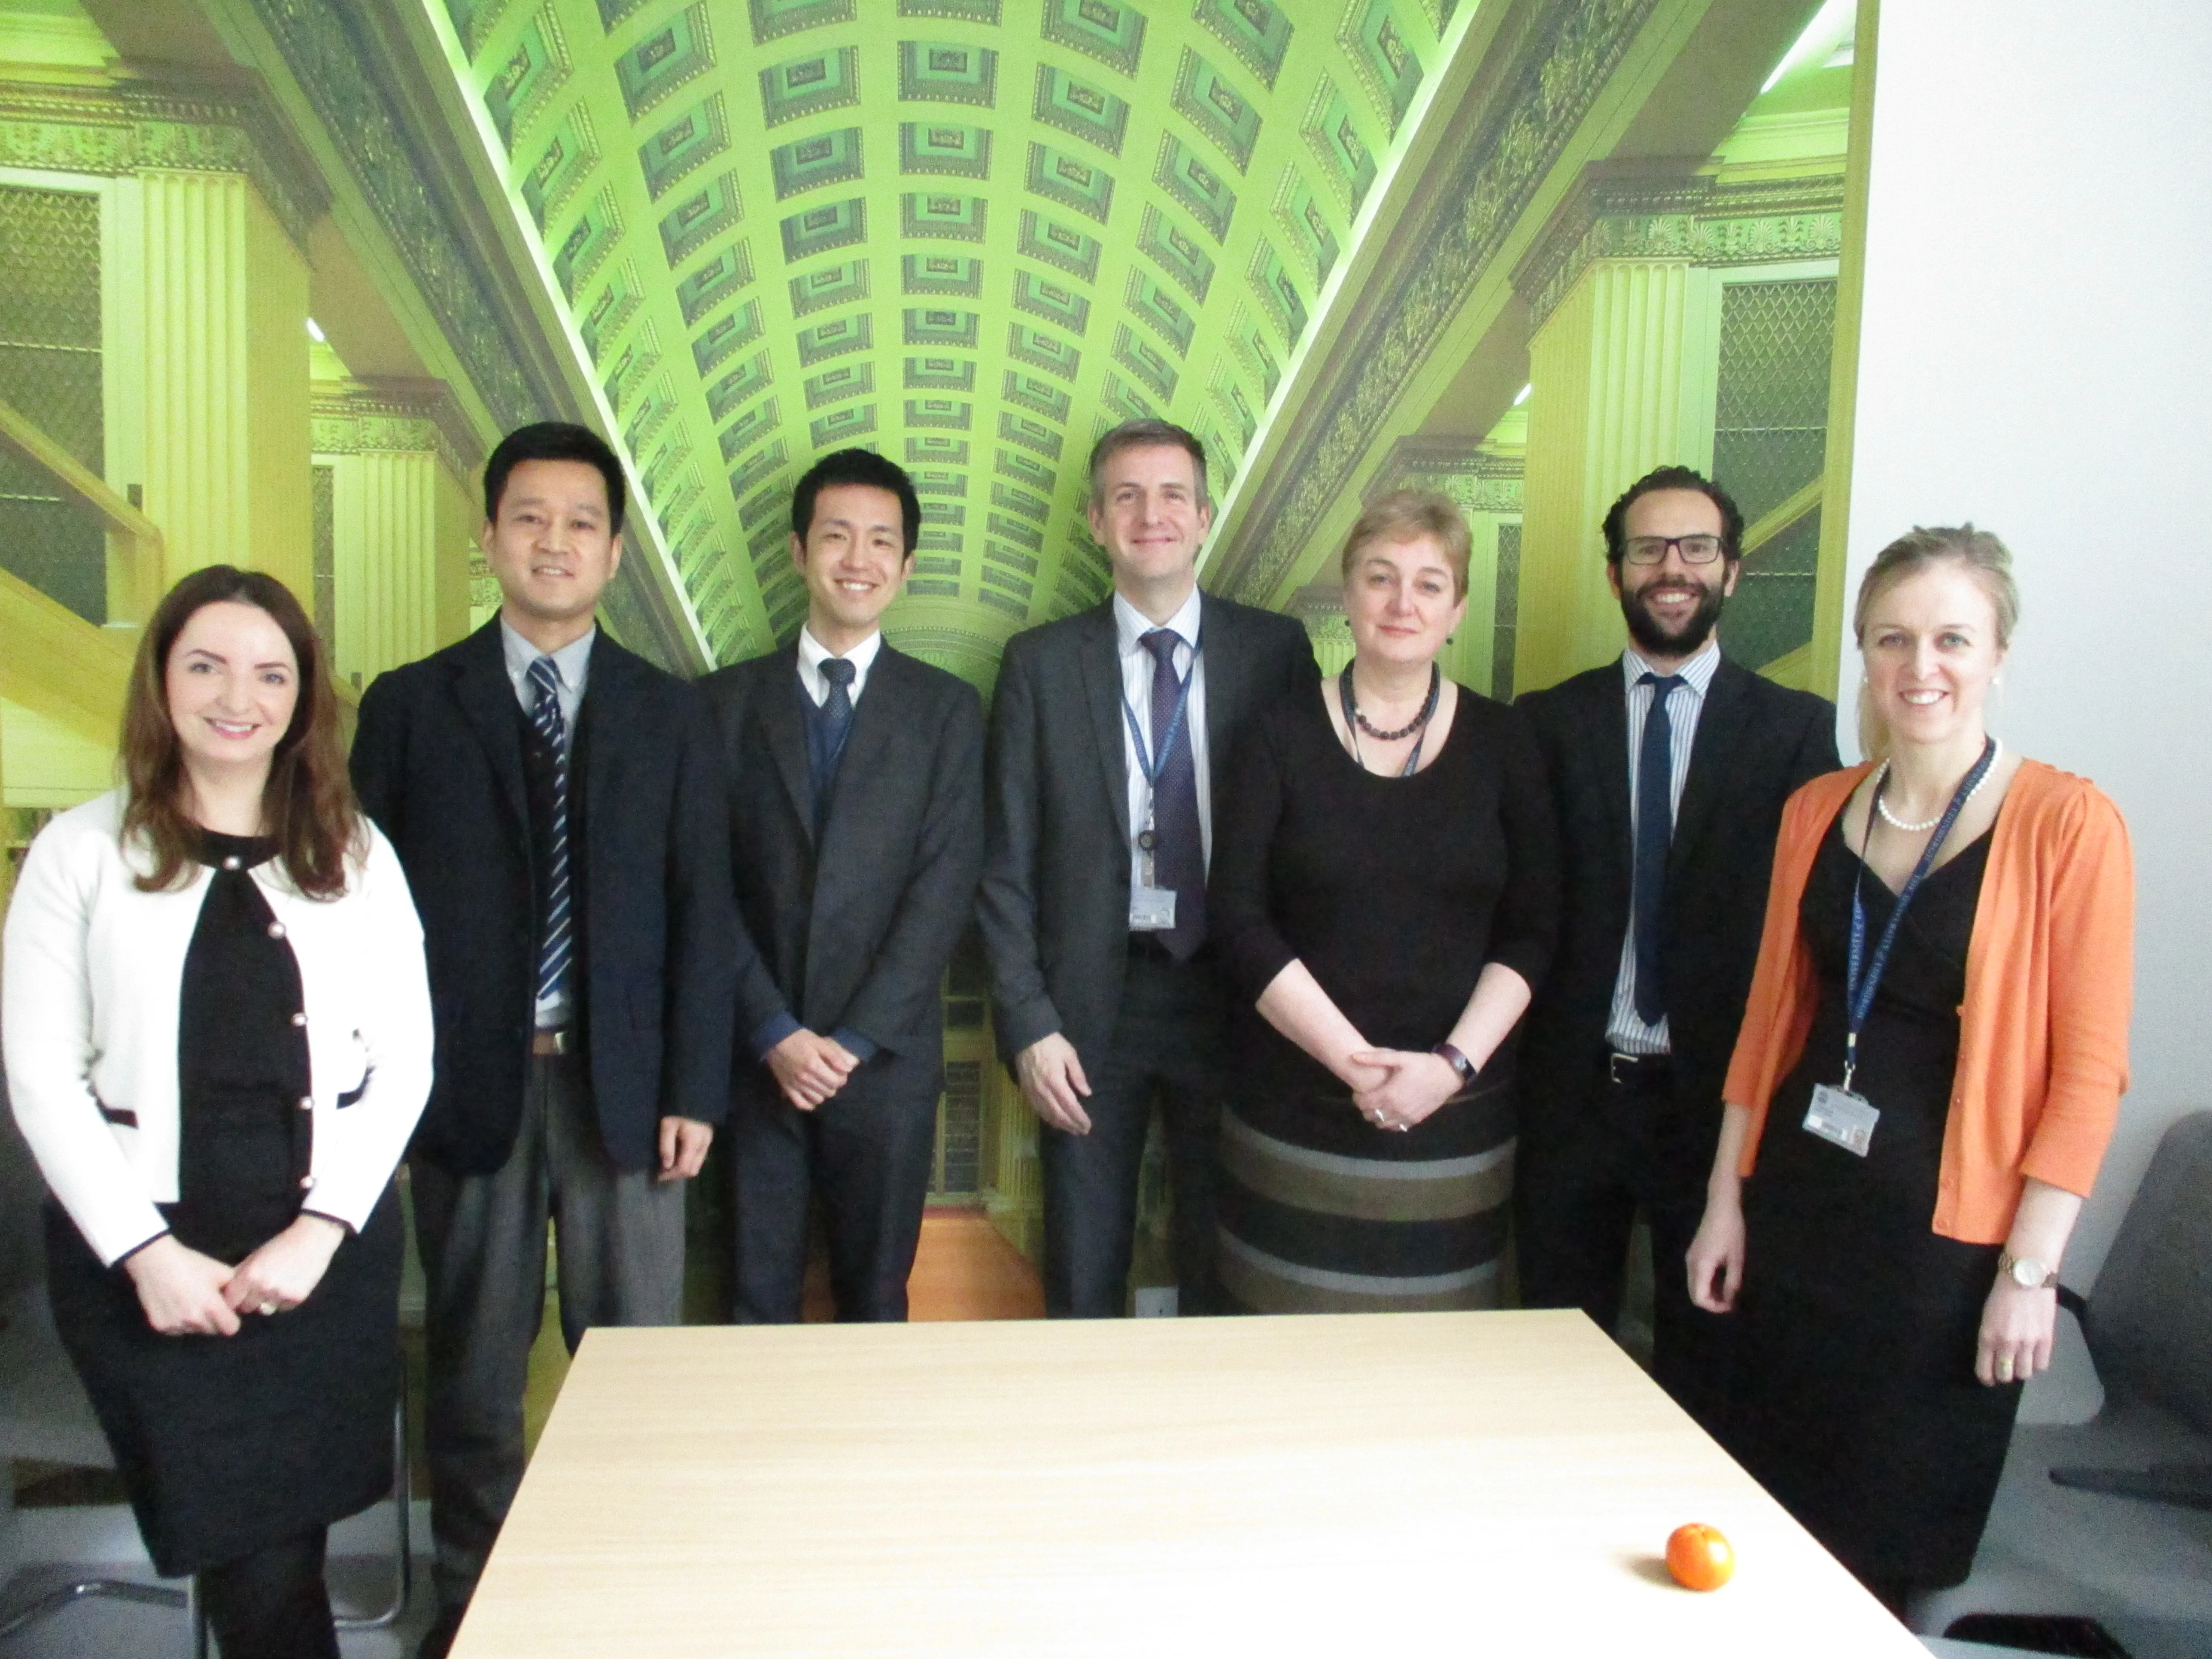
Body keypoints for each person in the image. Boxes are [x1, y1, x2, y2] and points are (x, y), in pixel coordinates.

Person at [1686, 526, 2132, 1608]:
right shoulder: (1814, 810)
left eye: (1950, 639)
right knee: (1770, 1526)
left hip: (1942, 1258)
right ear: (1862, 653)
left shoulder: (2067, 824)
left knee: (1884, 1552)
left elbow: (2086, 1076)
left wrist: (2028, 1275)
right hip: (1797, 1217)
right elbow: (1766, 1024)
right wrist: (1722, 1204)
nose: (1918, 667)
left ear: (1996, 654)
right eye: (1891, 639)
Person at [349, 421, 738, 1655]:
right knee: (473, 1373)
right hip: (469, 1089)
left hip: (627, 1090)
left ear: (615, 551)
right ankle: (474, 1608)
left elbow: (705, 912)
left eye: (580, 523)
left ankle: (632, 1600)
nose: (554, 542)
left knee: (634, 1369)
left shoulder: (671, 715)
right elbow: (361, 921)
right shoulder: (410, 708)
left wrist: (696, 1088)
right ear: (489, 535)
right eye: (529, 517)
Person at [4, 567, 432, 1659]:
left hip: (320, 1262)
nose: (238, 697)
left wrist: (320, 1232)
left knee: (279, 1557)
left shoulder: (357, 854)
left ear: (302, 699)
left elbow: (407, 1063)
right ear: (161, 681)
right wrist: (146, 1257)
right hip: (146, 1267)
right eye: (206, 666)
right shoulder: (79, 853)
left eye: (270, 674)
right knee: (261, 1562)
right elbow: (42, 1078)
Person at [1515, 465, 1837, 1431]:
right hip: (1573, 1096)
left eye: (1696, 548)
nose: (1672, 568)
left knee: (1707, 1368)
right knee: (1551, 1359)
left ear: (1731, 571)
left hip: (1714, 1109)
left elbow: (1810, 937)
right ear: (1614, 571)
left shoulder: (1796, 733)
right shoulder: (1545, 724)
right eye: (1648, 548)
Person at [979, 419, 1318, 1317]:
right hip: (1089, 1011)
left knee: (1231, 1261)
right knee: (1083, 1271)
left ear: (1204, 517)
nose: (1150, 515)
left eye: (1173, 495)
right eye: (1125, 497)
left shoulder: (1275, 653)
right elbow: (1004, 865)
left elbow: (1309, 844)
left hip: (1238, 998)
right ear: (1096, 522)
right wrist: (1028, 1024)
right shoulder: (1040, 666)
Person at [1209, 491, 1558, 1313]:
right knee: (1281, 1349)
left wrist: (1448, 1069)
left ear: (1457, 609)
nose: (1404, 602)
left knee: (1439, 1362)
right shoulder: (1276, 734)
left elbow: (1535, 928)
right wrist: (1358, 1066)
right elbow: (1238, 918)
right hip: (1295, 1113)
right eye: (1381, 577)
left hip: (1456, 1121)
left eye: (1430, 584)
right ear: (1348, 594)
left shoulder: (1507, 744)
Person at [702, 449, 985, 1322]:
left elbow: (942, 892)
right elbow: (704, 889)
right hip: (756, 1063)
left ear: (906, 565)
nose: (857, 559)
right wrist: (774, 1032)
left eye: (880, 541)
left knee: (875, 1302)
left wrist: (854, 1041)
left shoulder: (947, 711)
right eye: (835, 536)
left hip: (886, 1066)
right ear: (798, 551)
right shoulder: (720, 706)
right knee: (753, 1301)